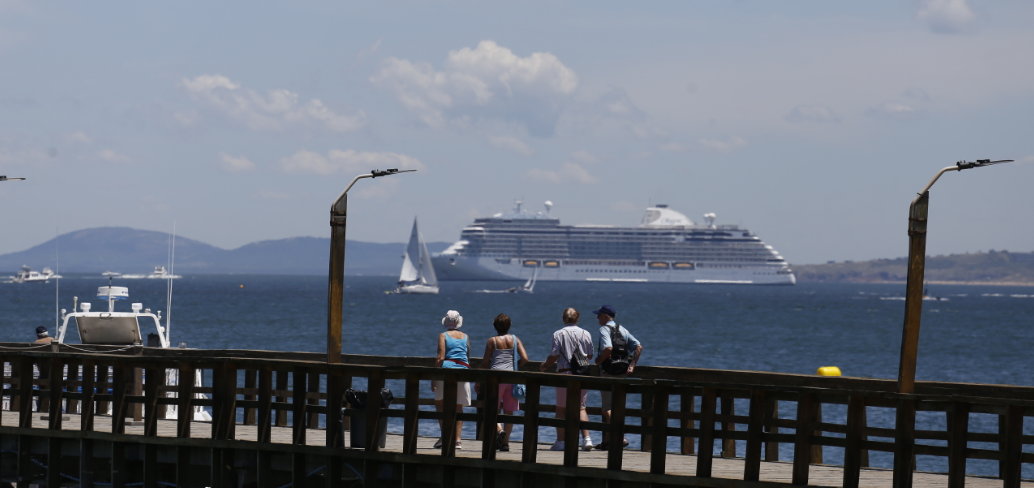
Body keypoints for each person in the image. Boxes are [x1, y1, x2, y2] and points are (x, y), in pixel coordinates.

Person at [539, 307, 594, 452]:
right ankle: (587, 439)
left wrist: (544, 366)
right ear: (577, 319)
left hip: (565, 373)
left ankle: (561, 442)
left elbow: (554, 355)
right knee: (581, 407)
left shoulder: (558, 334)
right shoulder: (585, 333)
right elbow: (590, 355)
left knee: (561, 409)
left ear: (564, 319)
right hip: (582, 373)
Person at [475, 313, 529, 451]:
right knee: (509, 411)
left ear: (495, 326)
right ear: (509, 326)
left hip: (495, 379)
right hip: (511, 378)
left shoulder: (491, 341)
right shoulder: (515, 340)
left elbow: (485, 363)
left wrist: (479, 381)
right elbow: (525, 359)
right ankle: (505, 443)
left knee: (492, 408)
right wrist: (515, 364)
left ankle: (499, 430)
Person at [592, 304, 643, 450]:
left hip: (608, 371)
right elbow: (639, 347)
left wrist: (599, 361)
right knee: (616, 407)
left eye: (599, 315)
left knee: (607, 408)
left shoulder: (604, 329)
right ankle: (607, 442)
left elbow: (608, 348)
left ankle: (621, 437)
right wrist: (632, 365)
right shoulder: (622, 329)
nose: (597, 318)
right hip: (622, 371)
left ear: (606, 316)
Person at [431, 310, 472, 449]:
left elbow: (440, 357)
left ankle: (445, 436)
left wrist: (433, 377)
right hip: (463, 370)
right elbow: (467, 355)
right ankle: (457, 440)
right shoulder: (465, 336)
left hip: (447, 370)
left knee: (440, 403)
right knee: (458, 405)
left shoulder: (443, 335)